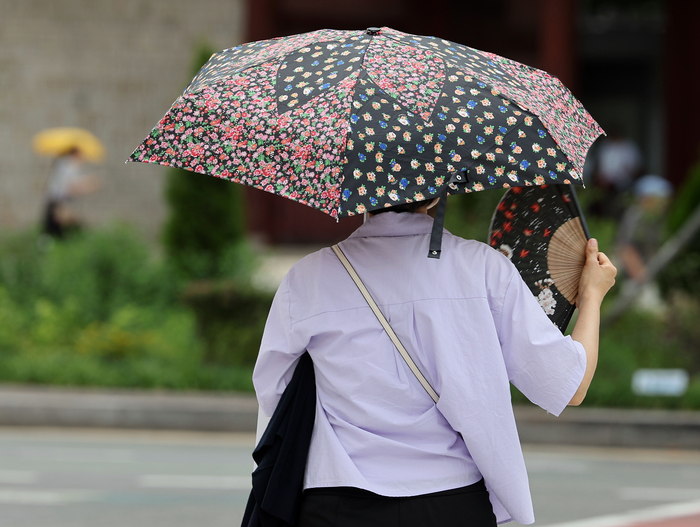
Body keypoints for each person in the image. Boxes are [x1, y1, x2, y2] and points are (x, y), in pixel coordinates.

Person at [252, 197, 616, 526]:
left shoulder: (307, 278)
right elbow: (571, 385)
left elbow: (274, 395)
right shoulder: (482, 268)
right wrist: (593, 295)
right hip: (450, 500)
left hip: (337, 500)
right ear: (439, 190)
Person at [42, 147, 101, 238]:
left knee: (54, 233)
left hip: (56, 203)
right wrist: (90, 185)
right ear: (76, 154)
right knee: (63, 232)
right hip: (59, 204)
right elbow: (72, 187)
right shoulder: (70, 166)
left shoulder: (64, 164)